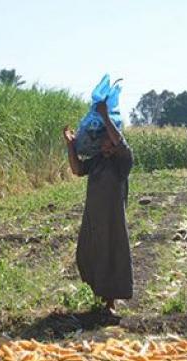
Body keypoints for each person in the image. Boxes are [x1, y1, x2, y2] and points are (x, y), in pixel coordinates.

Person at [62, 100, 134, 313]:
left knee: (112, 254)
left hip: (113, 219)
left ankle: (111, 302)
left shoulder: (123, 161)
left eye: (107, 142)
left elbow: (120, 143)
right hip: (93, 217)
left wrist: (105, 116)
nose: (104, 145)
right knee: (90, 253)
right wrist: (70, 145)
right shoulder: (97, 161)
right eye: (102, 142)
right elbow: (77, 169)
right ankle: (99, 298)